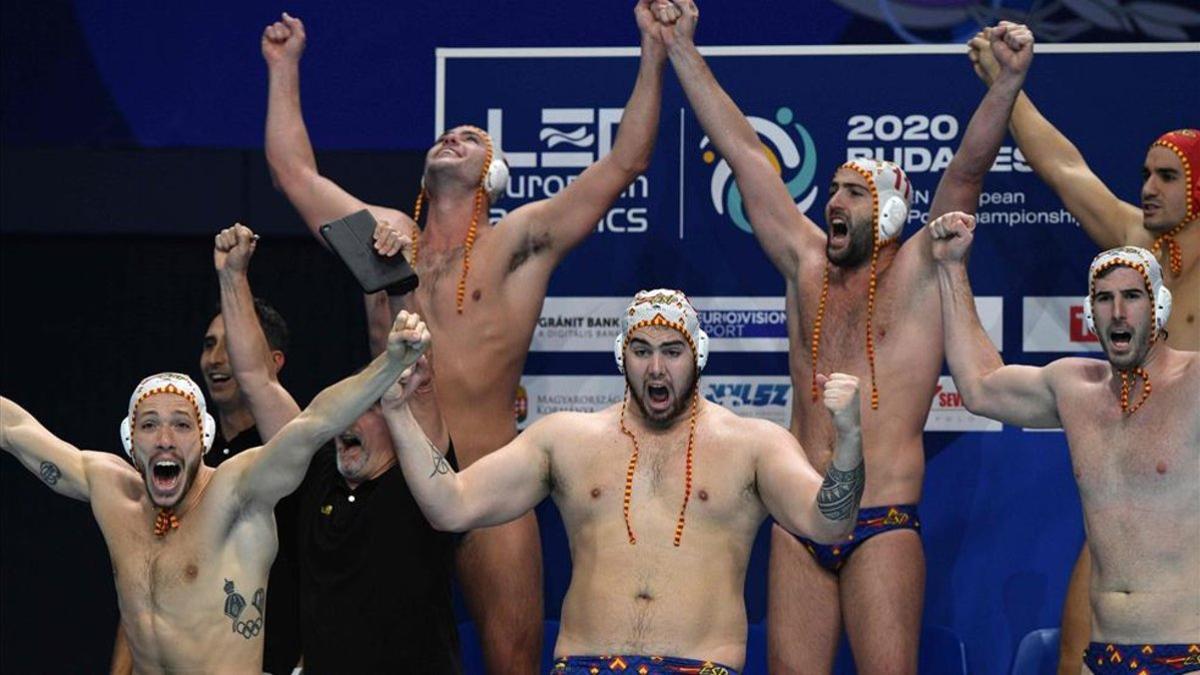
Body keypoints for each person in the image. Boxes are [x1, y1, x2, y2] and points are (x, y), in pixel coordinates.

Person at [261, 6, 667, 670]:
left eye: (472, 138)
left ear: (493, 175)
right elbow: (293, 175)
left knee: (512, 658)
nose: (454, 136)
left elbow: (626, 161)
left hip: (487, 481)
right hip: (392, 486)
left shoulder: (518, 244)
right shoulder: (383, 237)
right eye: (448, 133)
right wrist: (283, 67)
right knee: (371, 653)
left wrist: (652, 51)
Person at [651, 1, 1034, 670]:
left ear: (888, 212)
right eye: (831, 190)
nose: (832, 202)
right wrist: (681, 46)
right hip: (800, 519)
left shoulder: (916, 272)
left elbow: (966, 174)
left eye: (852, 193)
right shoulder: (806, 265)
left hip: (882, 521)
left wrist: (1006, 83)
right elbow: (744, 153)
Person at [383, 289, 867, 674]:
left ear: (697, 354)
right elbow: (450, 506)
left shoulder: (754, 445)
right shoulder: (566, 439)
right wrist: (397, 411)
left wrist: (848, 441)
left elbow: (829, 525)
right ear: (622, 355)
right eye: (642, 351)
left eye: (672, 351)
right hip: (583, 666)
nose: (656, 369)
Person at [0, 310, 429, 673]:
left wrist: (389, 364)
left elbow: (312, 424)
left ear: (203, 439)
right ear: (131, 442)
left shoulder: (235, 492)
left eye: (181, 425)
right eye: (149, 425)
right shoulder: (111, 492)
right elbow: (15, 430)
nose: (165, 438)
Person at [968, 43, 1200, 671]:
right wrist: (1007, 87)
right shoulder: (1136, 245)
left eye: (1167, 176)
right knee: (1080, 646)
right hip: (1133, 484)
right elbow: (1065, 170)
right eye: (1147, 174)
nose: (1147, 188)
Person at [929, 210, 1200, 675]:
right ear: (1090, 311)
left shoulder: (1195, 382)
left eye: (1132, 297)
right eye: (1105, 299)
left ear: (1159, 307)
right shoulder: (1075, 388)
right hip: (1102, 656)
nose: (1117, 312)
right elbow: (977, 385)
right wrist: (952, 267)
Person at [217, 223, 462, 672]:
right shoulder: (316, 475)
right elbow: (256, 381)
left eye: (366, 408)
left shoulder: (421, 481)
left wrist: (401, 287)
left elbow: (419, 371)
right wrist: (232, 277)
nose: (346, 423)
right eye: (341, 413)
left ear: (394, 415)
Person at [110, 225, 301, 675]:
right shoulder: (177, 463)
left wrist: (232, 275)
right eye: (209, 345)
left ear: (270, 361)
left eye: (231, 346)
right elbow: (144, 583)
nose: (215, 359)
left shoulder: (284, 452)